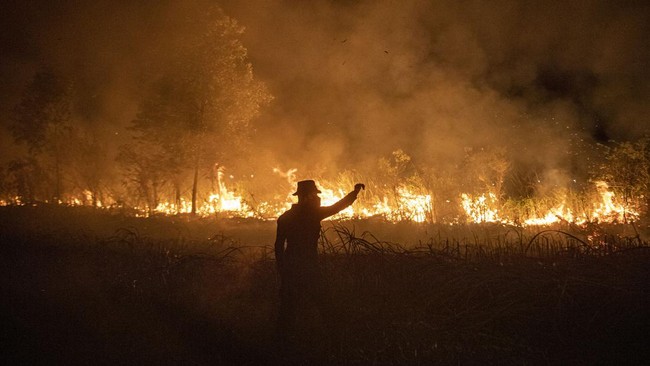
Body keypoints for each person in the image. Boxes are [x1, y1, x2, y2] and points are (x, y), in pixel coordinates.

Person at [274, 180, 365, 346]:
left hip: (291, 266)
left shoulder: (285, 217)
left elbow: (278, 246)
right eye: (315, 195)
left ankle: (281, 345)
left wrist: (282, 269)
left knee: (288, 308)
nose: (318, 198)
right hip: (309, 267)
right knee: (325, 304)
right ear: (308, 197)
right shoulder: (313, 214)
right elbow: (338, 207)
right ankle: (338, 341)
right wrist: (354, 193)